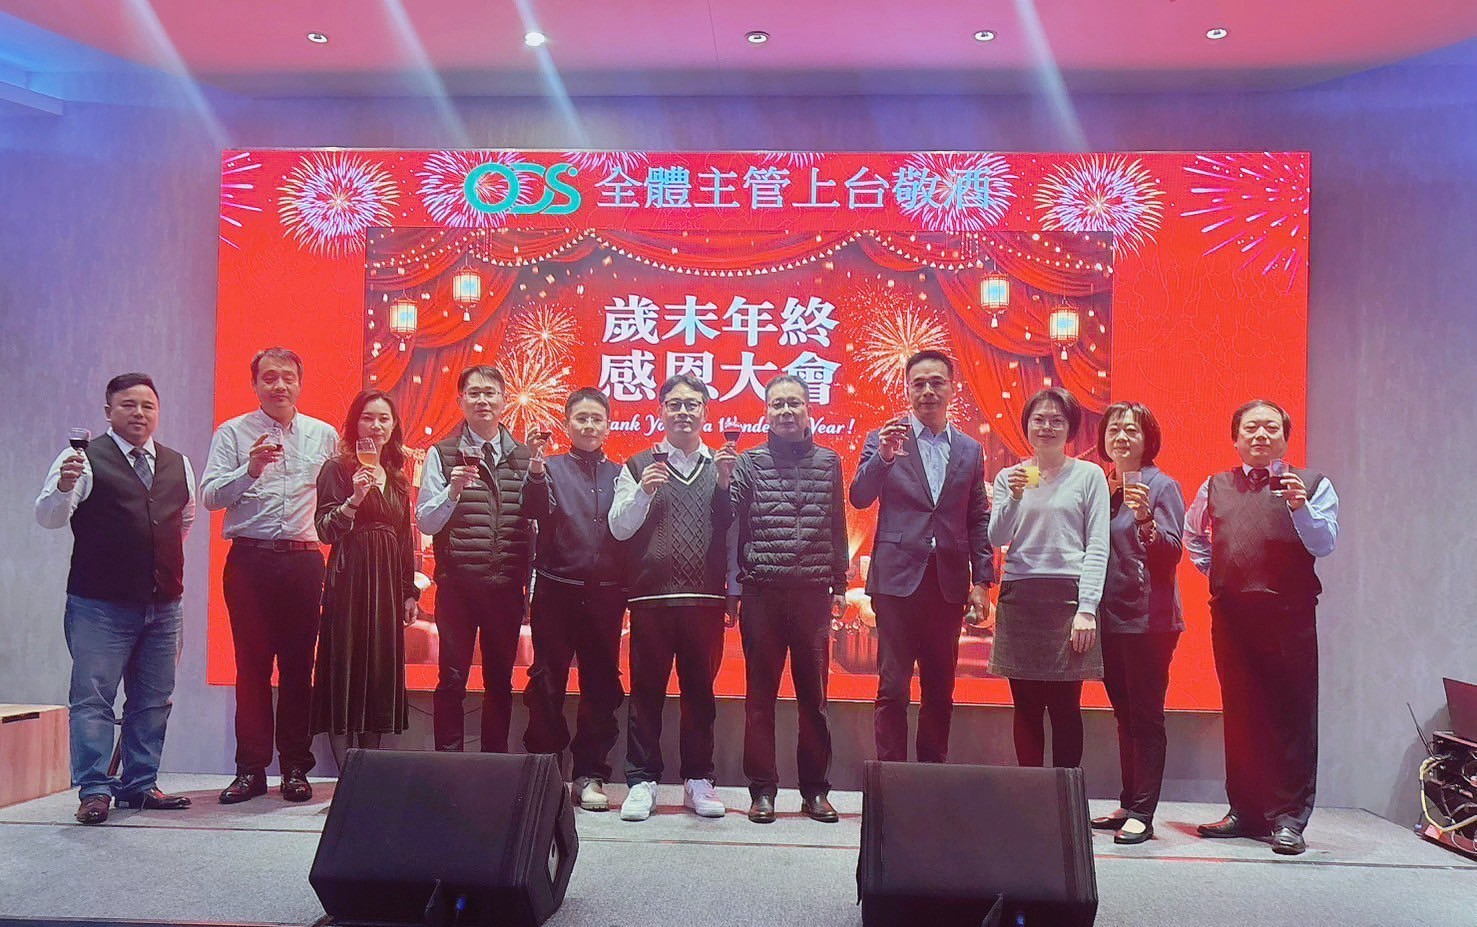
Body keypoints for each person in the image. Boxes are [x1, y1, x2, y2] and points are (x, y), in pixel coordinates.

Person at [35, 373, 196, 824]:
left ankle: (140, 784)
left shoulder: (178, 463)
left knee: (153, 700)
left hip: (164, 605)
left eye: (148, 406)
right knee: (93, 699)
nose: (139, 413)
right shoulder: (81, 459)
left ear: (157, 412)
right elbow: (48, 517)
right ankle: (94, 789)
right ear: (108, 412)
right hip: (99, 606)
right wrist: (63, 486)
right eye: (128, 405)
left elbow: (182, 521)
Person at [1184, 400, 1338, 856]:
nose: (1260, 435)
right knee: (1241, 714)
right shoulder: (1215, 485)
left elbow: (1325, 542)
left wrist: (1300, 507)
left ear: (1285, 438)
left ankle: (1289, 819)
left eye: (1271, 427)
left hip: (1289, 617)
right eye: (1251, 428)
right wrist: (1219, 573)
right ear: (1236, 439)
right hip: (1232, 617)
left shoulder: (1312, 484)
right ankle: (1246, 812)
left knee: (1292, 718)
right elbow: (1194, 536)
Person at [200, 347, 339, 804]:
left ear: (300, 383)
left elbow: (335, 499)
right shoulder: (233, 432)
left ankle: (296, 767)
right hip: (250, 562)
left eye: (287, 377)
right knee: (252, 668)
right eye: (269, 378)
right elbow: (210, 496)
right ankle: (250, 770)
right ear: (255, 384)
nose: (279, 385)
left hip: (303, 562)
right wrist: (250, 469)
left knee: (299, 669)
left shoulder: (323, 435)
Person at [849, 350, 993, 764]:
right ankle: (890, 777)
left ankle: (931, 774)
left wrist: (982, 581)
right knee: (893, 687)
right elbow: (859, 496)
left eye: (936, 382)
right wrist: (884, 456)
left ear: (952, 388)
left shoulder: (969, 449)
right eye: (919, 384)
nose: (928, 391)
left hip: (947, 583)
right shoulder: (884, 439)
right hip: (896, 581)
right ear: (907, 389)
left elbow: (977, 517)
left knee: (940, 688)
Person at [608, 375, 737, 821]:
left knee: (700, 695)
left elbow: (733, 531)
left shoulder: (723, 465)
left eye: (692, 404)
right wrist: (643, 490)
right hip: (651, 600)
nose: (683, 411)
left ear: (706, 412)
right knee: (646, 694)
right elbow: (619, 528)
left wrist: (725, 484)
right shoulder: (638, 464)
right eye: (675, 404)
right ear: (660, 410)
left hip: (705, 599)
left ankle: (698, 780)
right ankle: (641, 781)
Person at [730, 375, 848, 824]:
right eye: (777, 404)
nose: (785, 411)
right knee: (759, 697)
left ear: (808, 412)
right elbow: (731, 519)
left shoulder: (829, 461)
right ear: (766, 413)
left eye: (793, 403)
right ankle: (762, 790)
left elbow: (837, 524)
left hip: (812, 594)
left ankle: (815, 790)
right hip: (762, 592)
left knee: (813, 699)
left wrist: (840, 583)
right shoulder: (749, 461)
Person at [987, 387, 1110, 771]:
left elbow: (1098, 544)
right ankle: (1031, 794)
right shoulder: (1012, 476)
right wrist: (1013, 497)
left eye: (1057, 420)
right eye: (1039, 419)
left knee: (1065, 706)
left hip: (1068, 598)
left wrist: (1087, 608)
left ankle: (1065, 793)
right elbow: (997, 537)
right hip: (1020, 595)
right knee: (1025, 706)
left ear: (1070, 428)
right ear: (1027, 426)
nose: (1047, 427)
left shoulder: (1088, 475)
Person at [416, 366, 535, 753]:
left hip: (506, 587)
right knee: (452, 678)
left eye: (490, 393)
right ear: (461, 401)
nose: (482, 400)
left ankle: (494, 761)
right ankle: (448, 762)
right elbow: (426, 521)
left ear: (504, 400)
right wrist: (452, 491)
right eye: (474, 393)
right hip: (458, 588)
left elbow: (536, 524)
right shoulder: (442, 454)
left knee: (500, 680)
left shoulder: (524, 457)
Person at [520, 388, 628, 812]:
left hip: (606, 595)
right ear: (567, 425)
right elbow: (533, 510)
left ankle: (590, 773)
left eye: (596, 418)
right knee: (547, 682)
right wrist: (534, 466)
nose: (589, 425)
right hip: (556, 590)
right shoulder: (549, 468)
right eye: (581, 418)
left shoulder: (621, 474)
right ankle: (546, 771)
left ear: (608, 426)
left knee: (601, 684)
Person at [1089, 401, 1185, 845]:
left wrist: (1146, 517)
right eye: (1114, 429)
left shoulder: (1162, 486)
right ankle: (1129, 803)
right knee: (1123, 715)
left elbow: (1172, 553)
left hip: (1150, 621)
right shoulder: (1102, 485)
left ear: (1148, 439)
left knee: (1146, 717)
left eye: (1131, 430)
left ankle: (1144, 812)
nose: (1122, 437)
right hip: (1109, 618)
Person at [311, 390, 419, 756]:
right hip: (350, 579)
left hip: (386, 586)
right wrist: (354, 499)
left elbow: (404, 539)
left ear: (393, 426)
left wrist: (408, 591)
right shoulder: (337, 469)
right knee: (345, 665)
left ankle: (367, 770)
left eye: (383, 418)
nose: (376, 425)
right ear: (355, 424)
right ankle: (346, 776)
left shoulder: (397, 478)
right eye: (368, 418)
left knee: (378, 671)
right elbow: (325, 529)